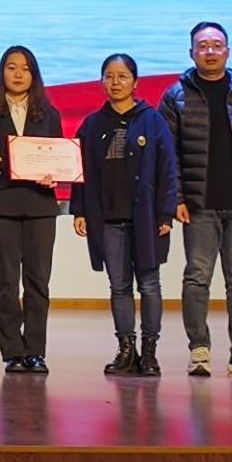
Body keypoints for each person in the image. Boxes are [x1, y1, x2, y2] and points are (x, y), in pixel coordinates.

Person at [160, 22, 232, 377]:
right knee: (197, 278)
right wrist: (176, 197)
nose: (210, 51)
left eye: (216, 45)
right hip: (198, 205)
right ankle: (199, 348)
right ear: (191, 52)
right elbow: (169, 154)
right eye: (203, 45)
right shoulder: (175, 96)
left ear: (228, 51)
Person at [71, 53, 180, 377]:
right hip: (107, 219)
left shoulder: (152, 120)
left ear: (135, 82)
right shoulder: (92, 124)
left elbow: (168, 169)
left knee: (149, 285)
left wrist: (166, 213)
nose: (115, 82)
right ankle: (126, 350)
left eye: (122, 76)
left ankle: (150, 352)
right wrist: (79, 210)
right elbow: (79, 170)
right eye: (109, 76)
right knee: (118, 286)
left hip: (146, 218)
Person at [0, 46, 64, 375]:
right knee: (6, 283)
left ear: (34, 75)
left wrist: (55, 175)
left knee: (38, 282)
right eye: (12, 67)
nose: (18, 74)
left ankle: (35, 351)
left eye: (25, 68)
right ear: (2, 73)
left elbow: (58, 158)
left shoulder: (50, 114)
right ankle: (12, 352)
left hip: (40, 205)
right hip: (1, 204)